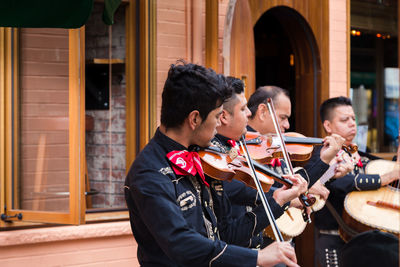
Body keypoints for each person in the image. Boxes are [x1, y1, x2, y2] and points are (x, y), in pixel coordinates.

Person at [124, 62, 299, 267]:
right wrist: (257, 258)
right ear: (195, 119)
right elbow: (181, 244)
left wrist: (276, 202)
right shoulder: (150, 173)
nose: (219, 124)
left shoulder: (202, 160)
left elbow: (226, 235)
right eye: (217, 116)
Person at [212, 77, 308, 249]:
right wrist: (280, 196)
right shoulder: (227, 150)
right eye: (243, 109)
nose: (249, 113)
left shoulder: (237, 145)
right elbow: (236, 186)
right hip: (239, 249)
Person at [309, 96, 400, 267]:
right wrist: (382, 179)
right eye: (344, 119)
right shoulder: (322, 156)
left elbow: (391, 171)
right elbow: (341, 183)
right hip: (334, 238)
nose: (352, 123)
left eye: (353, 118)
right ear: (328, 126)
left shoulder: (362, 156)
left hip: (366, 242)